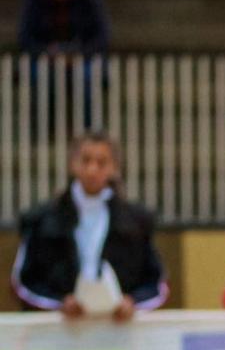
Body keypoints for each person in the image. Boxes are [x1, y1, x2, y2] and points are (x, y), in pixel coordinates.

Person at [12, 130, 166, 319]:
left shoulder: (137, 221)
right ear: (72, 163)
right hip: (59, 329)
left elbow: (155, 282)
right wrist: (60, 303)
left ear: (114, 168)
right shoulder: (41, 220)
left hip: (118, 329)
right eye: (85, 160)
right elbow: (24, 281)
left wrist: (133, 302)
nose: (92, 169)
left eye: (102, 163)